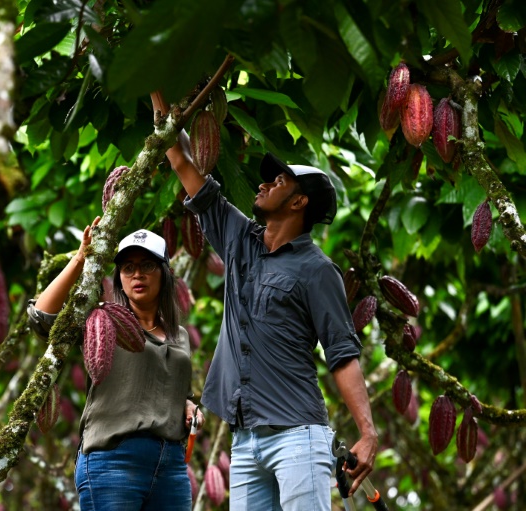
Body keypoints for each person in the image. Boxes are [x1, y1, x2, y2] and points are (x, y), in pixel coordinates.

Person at [151, 91, 378, 511]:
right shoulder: (239, 238)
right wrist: (154, 87)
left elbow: (342, 353)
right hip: (244, 440)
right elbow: (182, 161)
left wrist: (368, 433)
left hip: (298, 436)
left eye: (278, 182)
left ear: (298, 201)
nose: (263, 184)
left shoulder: (317, 269)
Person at [27, 217, 204, 511]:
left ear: (164, 273)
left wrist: (187, 406)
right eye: (128, 267)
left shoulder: (179, 335)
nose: (138, 275)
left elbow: (174, 388)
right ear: (119, 276)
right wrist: (80, 259)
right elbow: (42, 319)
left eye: (147, 265)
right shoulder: (103, 321)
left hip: (170, 466)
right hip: (114, 460)